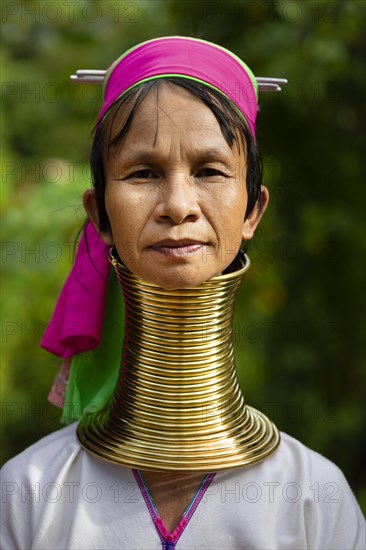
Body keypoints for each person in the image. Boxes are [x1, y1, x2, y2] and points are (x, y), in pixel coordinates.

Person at [1, 36, 364, 550]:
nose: (178, 205)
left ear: (252, 211)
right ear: (99, 214)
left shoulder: (314, 499)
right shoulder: (28, 494)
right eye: (143, 173)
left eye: (210, 171)